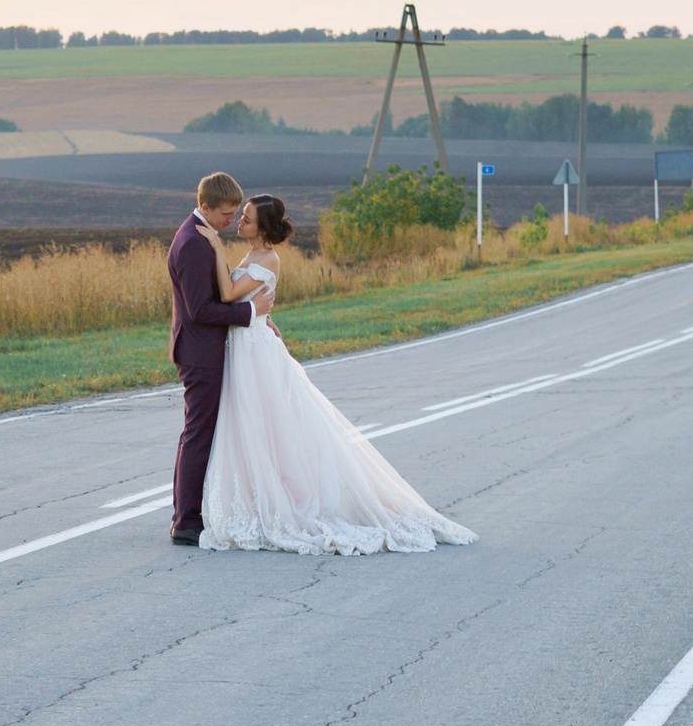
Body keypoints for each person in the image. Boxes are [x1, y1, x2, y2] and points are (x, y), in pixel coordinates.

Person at [197, 193, 475, 556]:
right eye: (241, 217)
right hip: (248, 345)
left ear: (262, 227)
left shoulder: (267, 258)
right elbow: (247, 301)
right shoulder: (253, 254)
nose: (239, 222)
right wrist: (265, 316)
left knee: (268, 423)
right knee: (253, 425)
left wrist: (217, 250)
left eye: (246, 218)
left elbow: (230, 291)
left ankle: (283, 499)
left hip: (255, 352)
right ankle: (257, 493)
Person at [168, 172, 269, 545]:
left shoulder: (199, 234)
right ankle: (187, 522)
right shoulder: (194, 243)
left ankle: (185, 514)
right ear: (205, 207)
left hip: (201, 349)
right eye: (227, 214)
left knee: (197, 432)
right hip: (200, 353)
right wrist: (250, 313)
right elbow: (200, 310)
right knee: (199, 434)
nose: (232, 221)